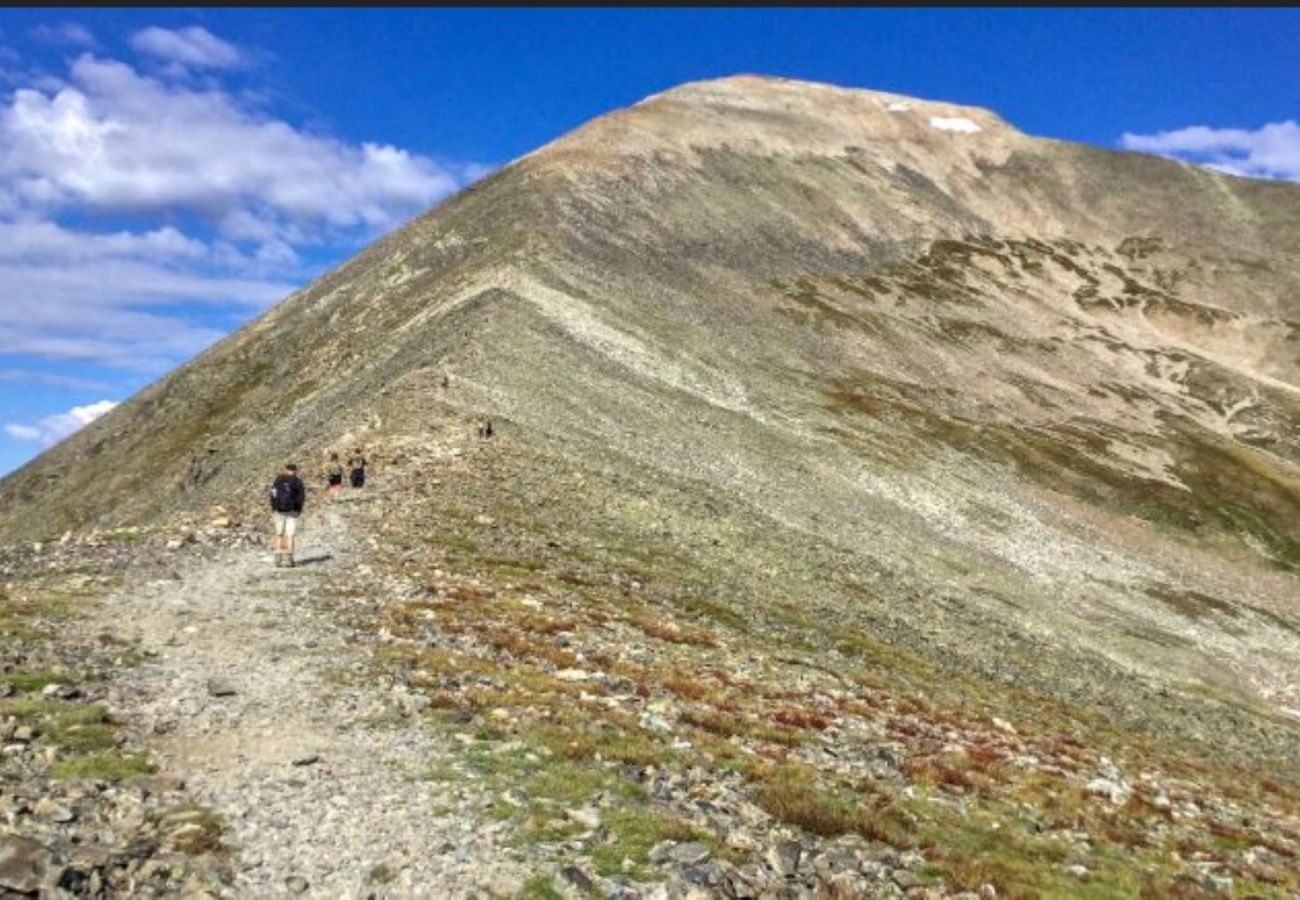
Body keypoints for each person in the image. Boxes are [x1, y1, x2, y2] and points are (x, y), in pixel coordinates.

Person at [269, 463, 305, 568]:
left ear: (285, 470)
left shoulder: (279, 480)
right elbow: (301, 498)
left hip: (279, 511)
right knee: (290, 535)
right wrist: (298, 510)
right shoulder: (298, 481)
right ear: (296, 470)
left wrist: (274, 508)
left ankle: (278, 559)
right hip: (293, 512)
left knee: (279, 534)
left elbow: (273, 494)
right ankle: (289, 559)